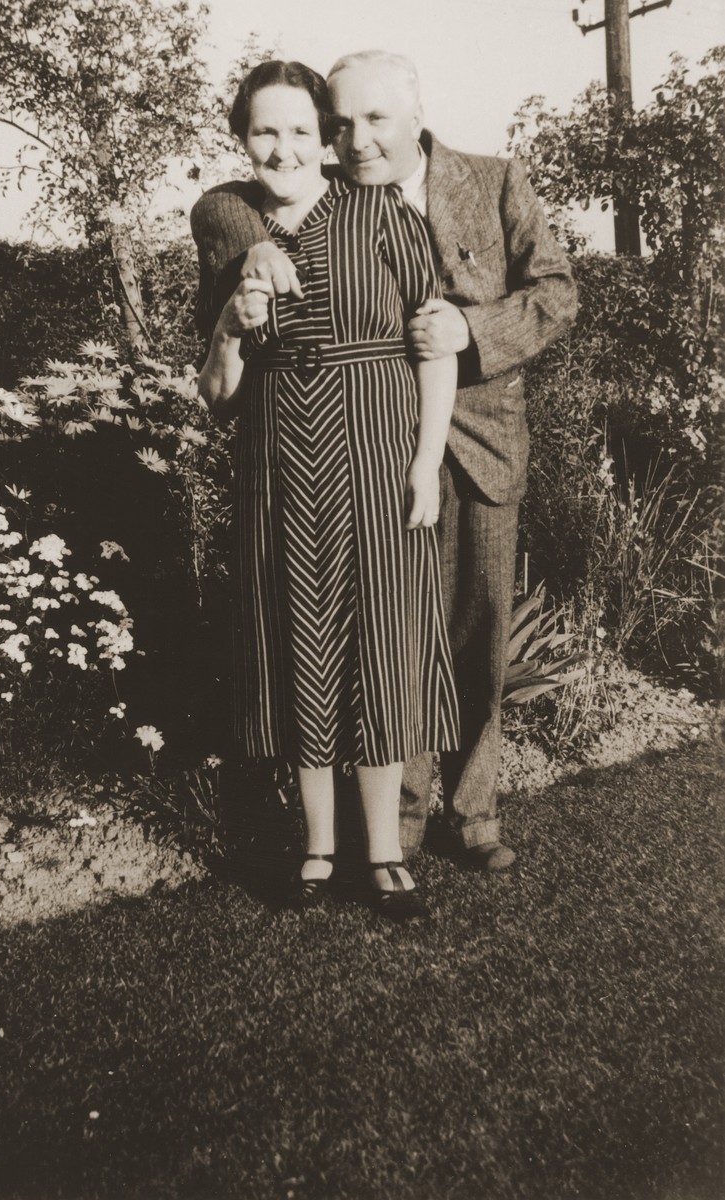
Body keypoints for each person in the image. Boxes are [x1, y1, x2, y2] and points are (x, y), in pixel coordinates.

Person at [191, 50, 578, 872]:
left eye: (374, 120)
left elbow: (557, 291)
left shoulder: (493, 179)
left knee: (473, 636)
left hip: (472, 441)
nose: (356, 138)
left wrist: (473, 332)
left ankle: (472, 812)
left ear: (413, 115)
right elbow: (241, 201)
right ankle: (390, 830)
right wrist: (252, 256)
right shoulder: (308, 198)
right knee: (390, 640)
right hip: (364, 445)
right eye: (341, 123)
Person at [195, 60, 460, 920]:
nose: (284, 148)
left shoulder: (380, 212)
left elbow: (434, 348)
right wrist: (231, 329)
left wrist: (424, 464)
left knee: (381, 642)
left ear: (326, 137)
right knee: (298, 641)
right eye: (265, 131)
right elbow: (214, 391)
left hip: (378, 452)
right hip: (281, 461)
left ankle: (383, 854)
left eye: (300, 130)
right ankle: (317, 848)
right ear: (242, 137)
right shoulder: (232, 234)